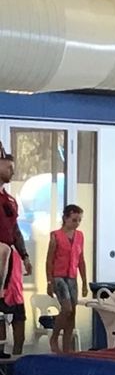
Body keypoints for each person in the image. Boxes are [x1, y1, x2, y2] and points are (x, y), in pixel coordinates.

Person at [0, 145, 31, 359]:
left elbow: (15, 230)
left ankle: (15, 355)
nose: (13, 171)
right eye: (9, 167)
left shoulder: (9, 200)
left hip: (9, 258)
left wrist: (25, 255)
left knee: (14, 308)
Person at [45, 204, 87, 354]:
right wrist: (49, 281)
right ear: (65, 219)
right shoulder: (55, 236)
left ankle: (67, 347)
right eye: (74, 220)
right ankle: (54, 337)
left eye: (79, 220)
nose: (77, 223)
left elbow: (81, 260)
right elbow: (49, 260)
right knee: (67, 308)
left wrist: (84, 282)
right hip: (58, 276)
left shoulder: (80, 236)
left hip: (72, 277)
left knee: (72, 312)